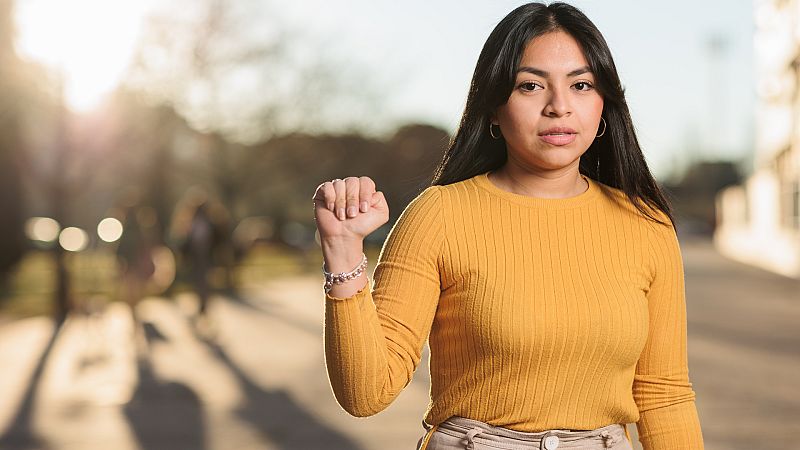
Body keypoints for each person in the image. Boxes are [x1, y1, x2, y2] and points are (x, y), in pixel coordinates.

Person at [311, 3, 704, 449]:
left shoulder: (646, 225)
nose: (559, 107)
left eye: (581, 85)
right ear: (494, 107)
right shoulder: (438, 215)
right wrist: (343, 252)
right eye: (530, 85)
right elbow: (366, 393)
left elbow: (664, 395)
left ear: (604, 104)